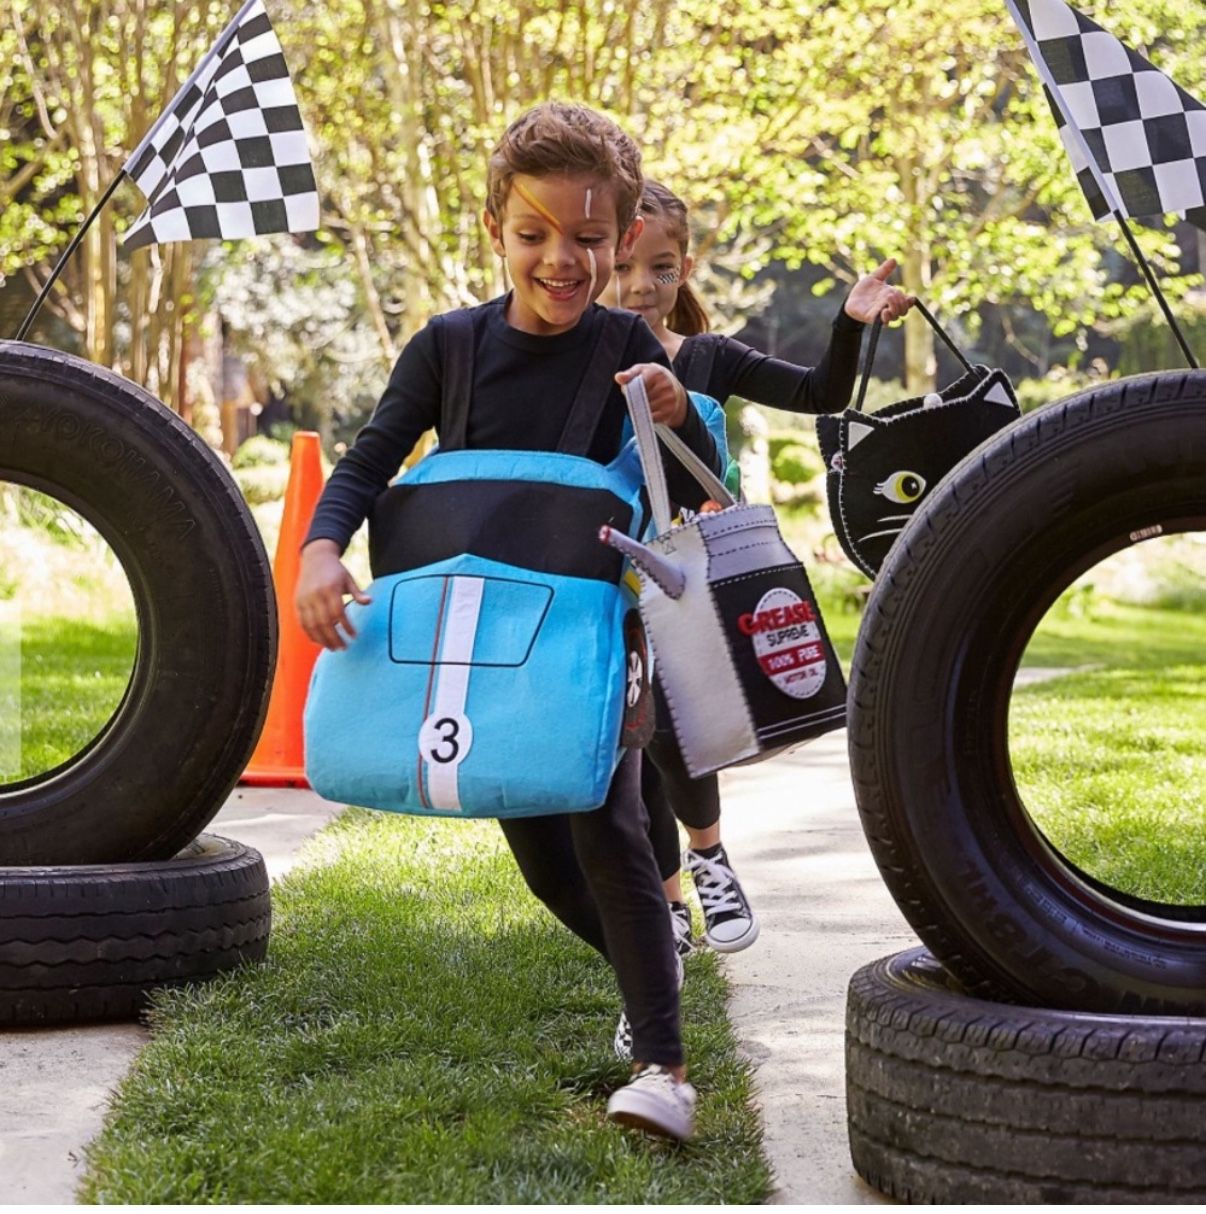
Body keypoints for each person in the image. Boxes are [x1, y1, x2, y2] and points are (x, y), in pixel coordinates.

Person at [296, 105, 727, 1143]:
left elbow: (701, 491)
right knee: (542, 852)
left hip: (590, 632)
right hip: (481, 638)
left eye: (586, 237)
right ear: (496, 225)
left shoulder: (630, 345)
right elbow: (367, 459)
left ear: (622, 240)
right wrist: (321, 548)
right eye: (535, 234)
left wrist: (677, 413)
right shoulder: (448, 347)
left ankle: (666, 1066)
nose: (560, 258)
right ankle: (650, 963)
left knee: (610, 820)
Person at [614, 180, 914, 959]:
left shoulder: (706, 359)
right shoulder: (573, 364)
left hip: (695, 585)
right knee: (632, 746)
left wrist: (849, 321)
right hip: (609, 583)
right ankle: (671, 903)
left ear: (686, 269)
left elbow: (822, 393)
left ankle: (708, 853)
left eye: (662, 267)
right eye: (623, 266)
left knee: (683, 728)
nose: (642, 286)